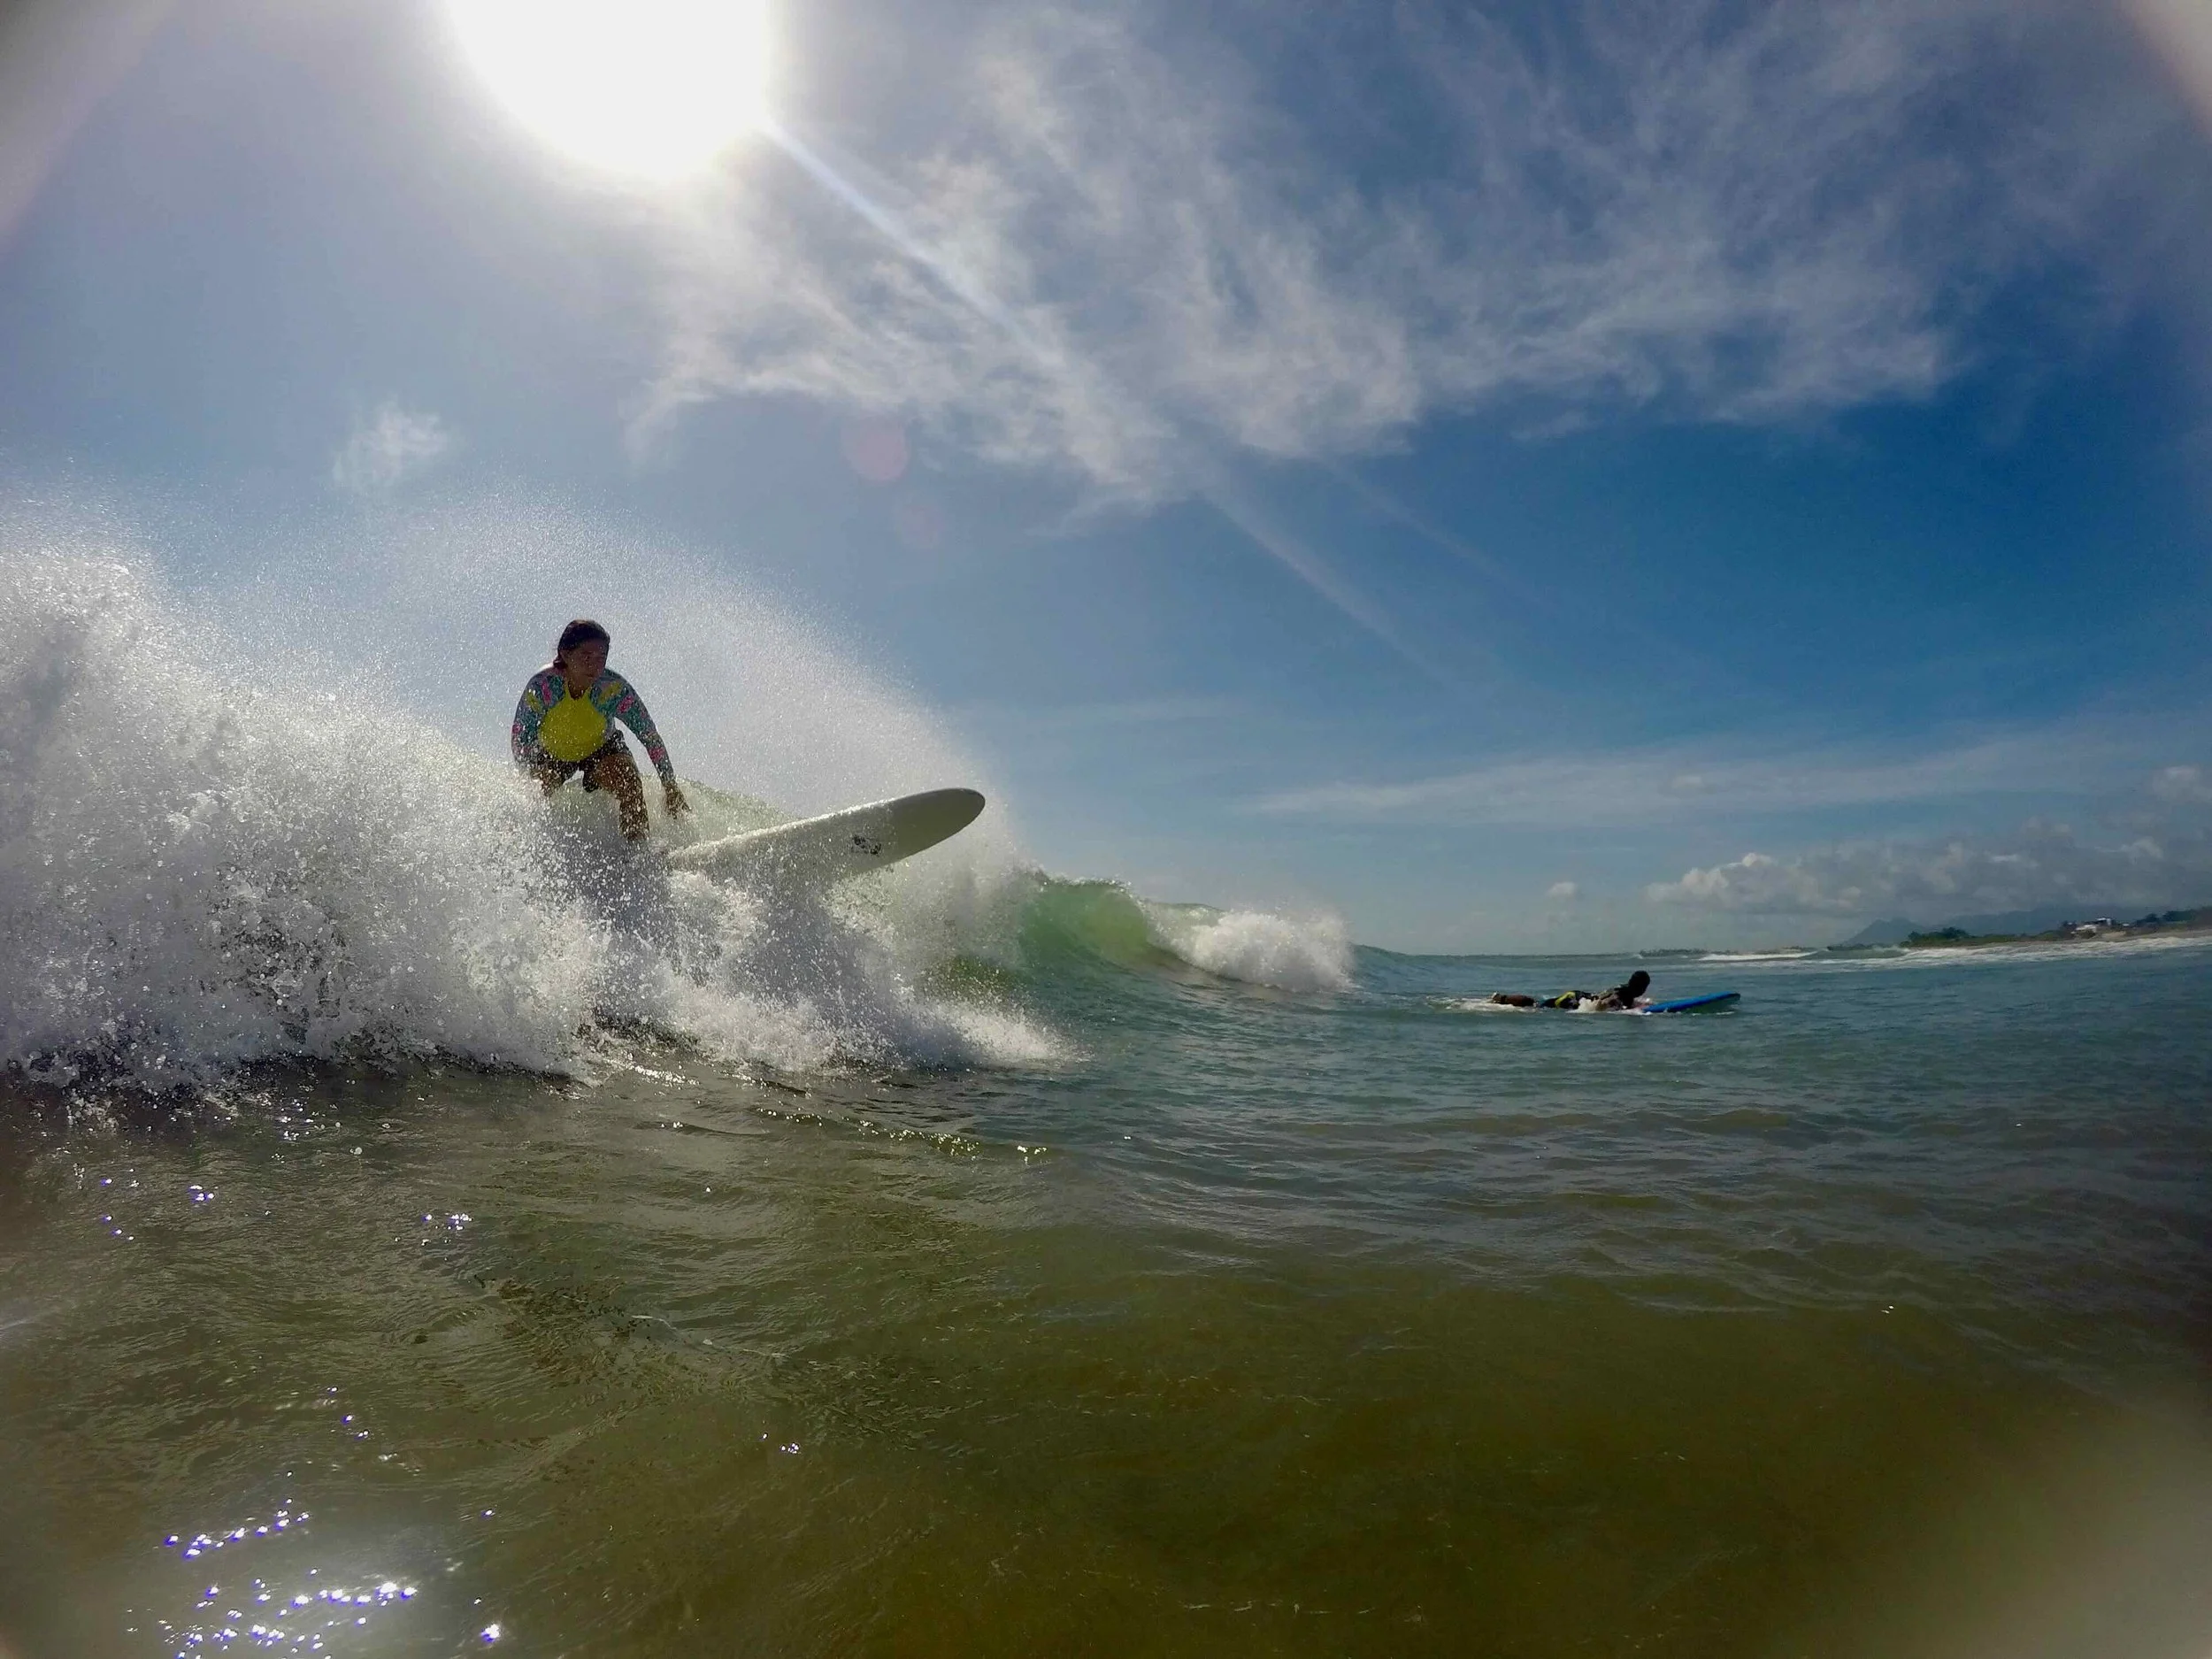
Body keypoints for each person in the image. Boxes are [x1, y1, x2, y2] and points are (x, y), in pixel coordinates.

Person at [511, 618, 689, 841]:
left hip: (601, 748)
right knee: (536, 792)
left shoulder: (612, 689)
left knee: (629, 781)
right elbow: (520, 738)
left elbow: (649, 735)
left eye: (601, 658)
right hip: (552, 753)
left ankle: (638, 853)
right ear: (565, 654)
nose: (594, 666)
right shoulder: (543, 686)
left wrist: (670, 786)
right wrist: (529, 780)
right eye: (586, 656)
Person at [1490, 970, 1651, 1011]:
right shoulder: (1623, 994)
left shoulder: (1624, 990)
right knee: (1536, 1005)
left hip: (1578, 996)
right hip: (1573, 1000)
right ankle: (1501, 999)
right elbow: (1602, 1004)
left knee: (1539, 1004)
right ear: (1640, 987)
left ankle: (1502, 998)